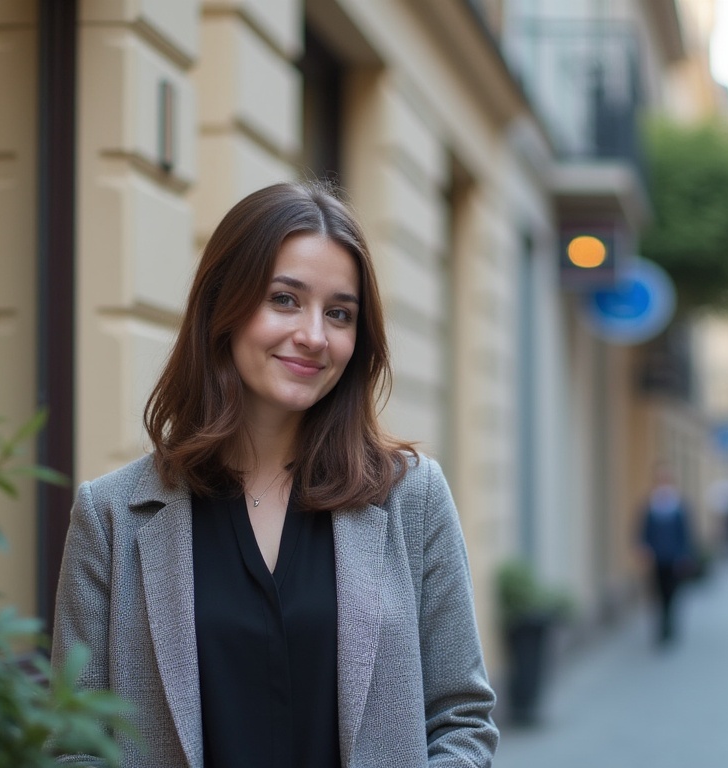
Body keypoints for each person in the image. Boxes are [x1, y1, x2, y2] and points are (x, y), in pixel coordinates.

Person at [51, 182, 498, 767]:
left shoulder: (411, 499)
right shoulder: (111, 516)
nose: (314, 335)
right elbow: (72, 743)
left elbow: (461, 721)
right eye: (284, 299)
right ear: (223, 307)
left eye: (339, 313)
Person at [640, 464, 697, 648]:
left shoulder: (679, 506)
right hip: (657, 557)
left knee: (672, 593)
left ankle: (670, 627)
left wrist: (684, 555)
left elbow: (685, 534)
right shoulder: (651, 505)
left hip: (674, 558)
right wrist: (644, 548)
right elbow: (644, 531)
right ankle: (661, 629)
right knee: (658, 594)